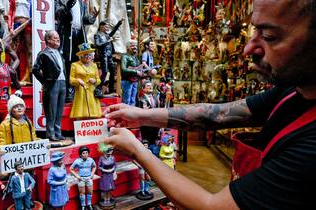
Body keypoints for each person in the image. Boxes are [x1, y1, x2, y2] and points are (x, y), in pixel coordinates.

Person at [103, 0, 316, 209]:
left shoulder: (310, 149)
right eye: (254, 32)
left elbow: (211, 206)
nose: (248, 49)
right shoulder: (292, 91)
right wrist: (141, 115)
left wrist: (138, 151)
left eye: (270, 37)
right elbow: (217, 114)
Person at [55, 0, 98, 101]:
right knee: (67, 62)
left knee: (81, 61)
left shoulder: (81, 3)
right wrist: (69, 4)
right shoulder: (61, 1)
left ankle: (81, 90)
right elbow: (59, 14)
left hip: (79, 34)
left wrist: (93, 17)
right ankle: (68, 91)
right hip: (67, 34)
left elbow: (84, 20)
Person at [32, 30, 66, 142]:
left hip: (62, 83)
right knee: (51, 110)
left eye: (58, 37)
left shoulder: (59, 53)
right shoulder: (44, 54)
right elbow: (35, 69)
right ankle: (50, 133)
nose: (58, 39)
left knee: (59, 110)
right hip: (52, 84)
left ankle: (58, 132)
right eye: (55, 38)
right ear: (48, 40)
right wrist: (45, 81)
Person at [69, 43, 102, 119]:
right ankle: (80, 128)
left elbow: (98, 80)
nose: (88, 56)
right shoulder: (75, 65)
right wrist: (78, 81)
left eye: (89, 54)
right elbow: (71, 80)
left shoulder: (94, 65)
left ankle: (91, 129)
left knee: (93, 114)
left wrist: (94, 81)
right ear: (81, 56)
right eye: (85, 55)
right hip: (81, 92)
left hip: (92, 93)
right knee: (80, 113)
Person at [94, 19, 124, 94]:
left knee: (113, 72)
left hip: (109, 56)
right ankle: (98, 88)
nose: (107, 28)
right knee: (105, 72)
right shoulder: (97, 35)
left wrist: (119, 23)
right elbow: (98, 45)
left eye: (108, 27)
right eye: (106, 27)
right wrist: (108, 41)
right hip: (103, 56)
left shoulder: (107, 35)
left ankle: (111, 89)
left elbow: (113, 31)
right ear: (101, 26)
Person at [70, 146, 96, 210]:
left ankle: (89, 204)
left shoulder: (91, 160)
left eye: (86, 152)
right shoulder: (77, 161)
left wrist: (92, 174)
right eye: (83, 153)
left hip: (89, 178)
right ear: (80, 154)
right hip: (81, 179)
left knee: (90, 191)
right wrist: (77, 176)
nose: (85, 154)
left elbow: (94, 166)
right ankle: (83, 205)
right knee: (82, 193)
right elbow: (71, 169)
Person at [120, 40, 144, 106]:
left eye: (135, 46)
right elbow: (123, 69)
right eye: (133, 46)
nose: (135, 47)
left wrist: (141, 71)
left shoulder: (135, 58)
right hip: (127, 81)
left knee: (133, 100)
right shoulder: (125, 57)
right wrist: (136, 71)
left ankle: (131, 114)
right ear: (128, 47)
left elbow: (138, 68)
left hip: (134, 80)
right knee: (126, 100)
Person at [139, 80, 160, 146]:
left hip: (155, 125)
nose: (150, 87)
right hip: (146, 126)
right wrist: (142, 111)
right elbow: (136, 111)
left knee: (154, 144)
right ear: (143, 89)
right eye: (148, 86)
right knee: (146, 144)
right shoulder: (140, 99)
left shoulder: (156, 98)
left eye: (151, 86)